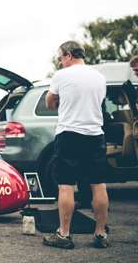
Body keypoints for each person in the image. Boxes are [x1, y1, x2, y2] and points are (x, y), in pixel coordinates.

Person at [42, 41, 110, 249]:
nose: (61, 62)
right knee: (98, 184)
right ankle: (100, 234)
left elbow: (49, 102)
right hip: (95, 135)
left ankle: (64, 234)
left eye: (61, 57)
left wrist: (61, 100)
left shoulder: (61, 76)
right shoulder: (99, 77)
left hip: (69, 135)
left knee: (66, 185)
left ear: (69, 55)